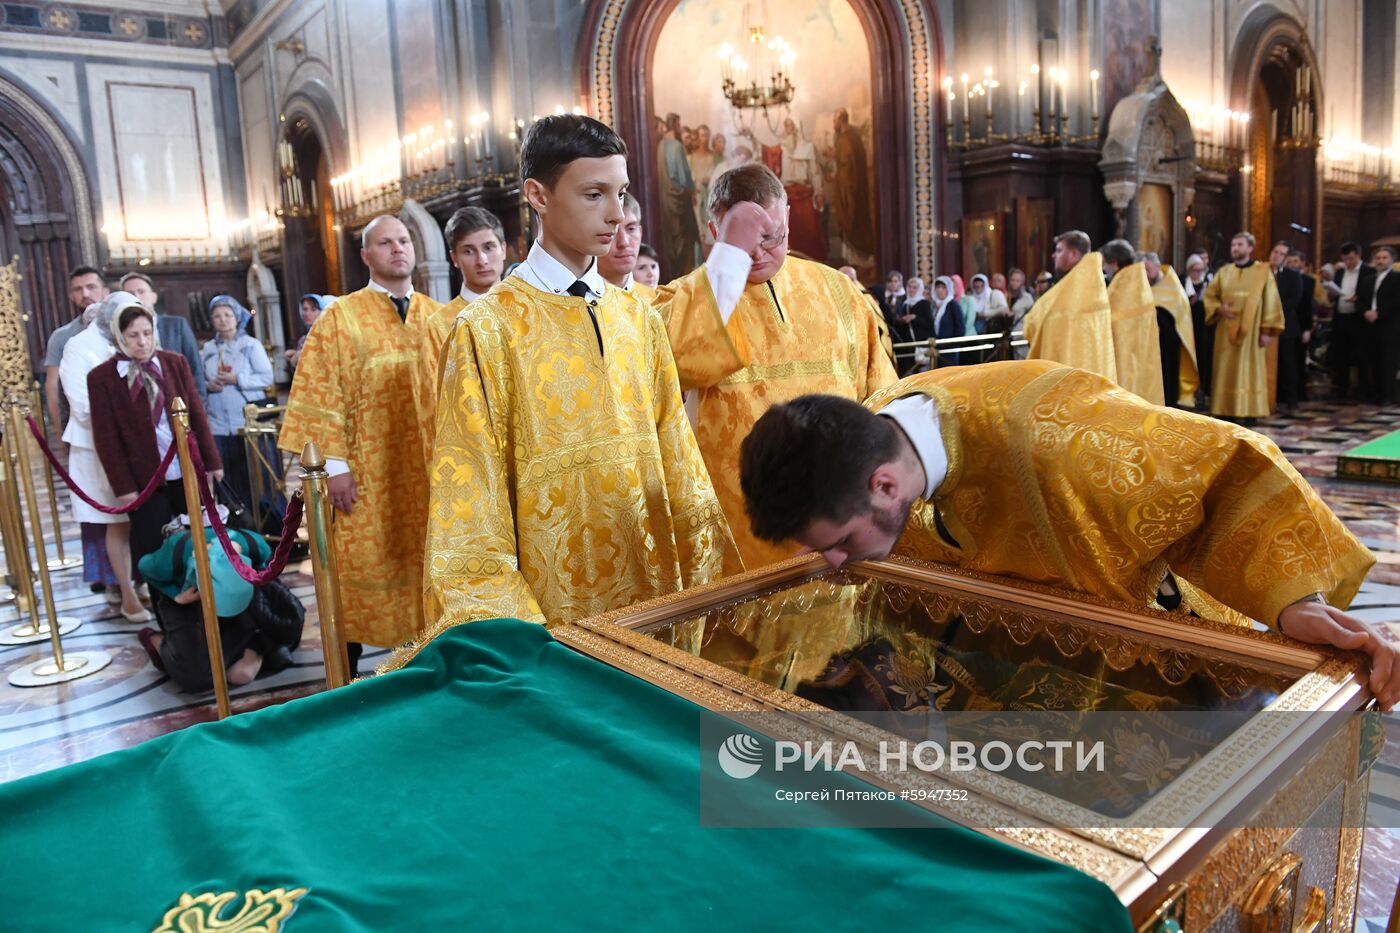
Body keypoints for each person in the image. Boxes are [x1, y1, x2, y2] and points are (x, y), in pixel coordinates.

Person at [737, 361, 1399, 711]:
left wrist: (1294, 606)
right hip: (982, 658)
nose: (834, 562)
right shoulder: (879, 427)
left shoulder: (1062, 438)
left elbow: (1222, 469)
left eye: (841, 541)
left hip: (1136, 672)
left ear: (886, 486)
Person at [424, 113, 738, 632]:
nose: (616, 215)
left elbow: (678, 461)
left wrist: (702, 587)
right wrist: (515, 632)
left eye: (622, 194)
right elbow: (471, 502)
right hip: (551, 617)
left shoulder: (637, 319)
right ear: (538, 195)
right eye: (594, 195)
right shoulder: (486, 330)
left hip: (651, 597)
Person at [651, 161, 897, 567]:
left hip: (841, 512)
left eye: (774, 237)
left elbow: (880, 394)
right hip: (741, 527)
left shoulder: (839, 292)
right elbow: (670, 360)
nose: (760, 253)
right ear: (717, 234)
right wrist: (726, 266)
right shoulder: (688, 302)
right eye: (746, 241)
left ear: (788, 222)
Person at [278, 215, 442, 667]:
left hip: (428, 476)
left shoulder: (435, 315)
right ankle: (346, 673)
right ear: (367, 256)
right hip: (365, 479)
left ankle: (430, 664)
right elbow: (318, 392)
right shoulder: (340, 318)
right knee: (354, 573)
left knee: (429, 571)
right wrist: (333, 466)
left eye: (404, 240)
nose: (397, 249)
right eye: (385, 243)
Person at [88, 302, 223, 570]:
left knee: (199, 545)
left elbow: (197, 414)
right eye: (133, 335)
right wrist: (124, 487)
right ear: (119, 337)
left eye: (147, 333)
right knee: (157, 551)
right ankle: (167, 610)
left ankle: (204, 607)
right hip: (144, 477)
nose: (142, 342)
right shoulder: (102, 377)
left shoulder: (174, 362)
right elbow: (107, 439)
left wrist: (212, 462)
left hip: (185, 467)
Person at [58, 294, 147, 620]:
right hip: (97, 448)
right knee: (118, 521)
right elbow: (82, 406)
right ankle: (126, 593)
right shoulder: (79, 347)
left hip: (138, 448)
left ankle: (144, 583)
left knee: (144, 518)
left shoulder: (128, 341)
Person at [136, 521, 290, 691]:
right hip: (185, 598)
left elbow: (265, 567)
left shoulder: (253, 544)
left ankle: (243, 645)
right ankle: (156, 640)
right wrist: (175, 595)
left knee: (245, 671)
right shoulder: (173, 556)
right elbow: (144, 565)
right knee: (196, 679)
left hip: (244, 596)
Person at [419, 207, 509, 423]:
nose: (482, 260)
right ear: (454, 258)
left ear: (503, 249)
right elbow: (435, 402)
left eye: (489, 247)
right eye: (469, 251)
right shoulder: (440, 325)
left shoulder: (526, 310)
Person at [200, 295, 275, 513]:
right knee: (227, 479)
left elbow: (266, 377)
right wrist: (208, 385)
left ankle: (265, 525)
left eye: (227, 315)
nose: (222, 320)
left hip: (248, 424)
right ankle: (235, 523)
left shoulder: (251, 345)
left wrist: (238, 380)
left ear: (237, 317)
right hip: (219, 424)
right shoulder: (208, 349)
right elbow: (199, 378)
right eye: (217, 316)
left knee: (255, 478)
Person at [1203, 232, 1284, 420]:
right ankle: (1225, 409)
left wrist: (1266, 330)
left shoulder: (1262, 272)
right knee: (1226, 368)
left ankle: (1251, 411)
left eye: (1239, 244)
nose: (1235, 248)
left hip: (1252, 332)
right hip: (1226, 330)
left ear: (1250, 248)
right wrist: (1218, 308)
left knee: (1250, 368)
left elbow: (1271, 301)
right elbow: (1210, 296)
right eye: (1233, 245)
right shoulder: (1224, 272)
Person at [1023, 231, 1115, 382]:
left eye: (1059, 250)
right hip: (1095, 372)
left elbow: (1031, 325)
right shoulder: (1095, 285)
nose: (1054, 255)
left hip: (1065, 372)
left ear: (1073, 254)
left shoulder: (1066, 292)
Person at [45, 266, 107, 445]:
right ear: (71, 295)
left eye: (91, 287)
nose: (85, 293)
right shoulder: (61, 336)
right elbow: (53, 386)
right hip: (81, 427)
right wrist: (59, 431)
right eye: (78, 289)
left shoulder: (123, 327)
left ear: (105, 291)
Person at [120, 272, 204, 402]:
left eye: (141, 291)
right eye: (130, 294)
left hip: (179, 401)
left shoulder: (177, 325)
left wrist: (200, 405)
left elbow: (195, 367)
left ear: (153, 297)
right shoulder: (120, 332)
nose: (136, 297)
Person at [1101, 244, 1164, 404]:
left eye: (1104, 264)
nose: (1103, 269)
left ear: (1114, 263)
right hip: (1140, 355)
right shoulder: (1137, 281)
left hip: (1125, 357)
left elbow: (1110, 321)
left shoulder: (1123, 285)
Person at [1142, 252, 1199, 408]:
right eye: (1142, 270)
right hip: (1146, 346)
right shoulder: (1141, 286)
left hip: (1168, 344)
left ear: (1158, 266)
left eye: (1148, 269)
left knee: (1168, 380)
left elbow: (1180, 319)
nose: (1145, 274)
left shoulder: (1173, 287)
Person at [1330, 242, 1375, 400]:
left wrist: (1358, 298)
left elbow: (1373, 295)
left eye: (1351, 258)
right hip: (1341, 317)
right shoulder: (1340, 272)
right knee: (1341, 355)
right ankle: (1342, 390)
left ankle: (1363, 391)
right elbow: (1334, 292)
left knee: (1362, 356)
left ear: (1358, 255)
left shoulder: (1369, 271)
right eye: (1345, 259)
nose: (1348, 262)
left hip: (1359, 319)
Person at [1267, 241, 1308, 411]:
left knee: (1287, 363)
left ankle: (1291, 399)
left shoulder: (1293, 276)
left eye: (1281, 254)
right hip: (1263, 327)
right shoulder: (1261, 272)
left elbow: (1293, 300)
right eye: (1275, 251)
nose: (1277, 255)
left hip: (1286, 326)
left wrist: (1271, 312)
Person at [597, 192, 656, 301]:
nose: (624, 242)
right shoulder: (574, 304)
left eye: (631, 229)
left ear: (641, 233)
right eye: (613, 231)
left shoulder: (657, 303)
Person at [1367, 244, 1399, 403]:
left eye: (1384, 257)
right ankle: (1376, 393)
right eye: (1378, 258)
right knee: (1375, 360)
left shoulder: (1397, 278)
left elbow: (1396, 301)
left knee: (1388, 362)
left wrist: (1379, 312)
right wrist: (1365, 311)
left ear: (1392, 260)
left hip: (1390, 326)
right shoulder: (1369, 279)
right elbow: (1361, 299)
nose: (1380, 261)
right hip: (1370, 325)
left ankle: (1388, 395)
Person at [1184, 254, 1213, 403]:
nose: (1199, 273)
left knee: (1204, 359)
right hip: (1188, 326)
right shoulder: (1184, 282)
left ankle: (1204, 389)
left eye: (1201, 270)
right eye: (1195, 270)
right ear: (1189, 270)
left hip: (1204, 329)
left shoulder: (1209, 282)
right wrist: (1190, 302)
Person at [285, 294, 332, 371]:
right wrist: (295, 354)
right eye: (305, 309)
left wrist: (302, 355)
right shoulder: (303, 340)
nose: (307, 313)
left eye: (313, 309)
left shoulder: (329, 335)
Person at [929, 276, 964, 366]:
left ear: (948, 289)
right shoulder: (934, 306)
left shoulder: (953, 305)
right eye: (938, 287)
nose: (940, 290)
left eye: (943, 287)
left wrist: (951, 345)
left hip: (949, 350)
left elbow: (960, 328)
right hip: (937, 348)